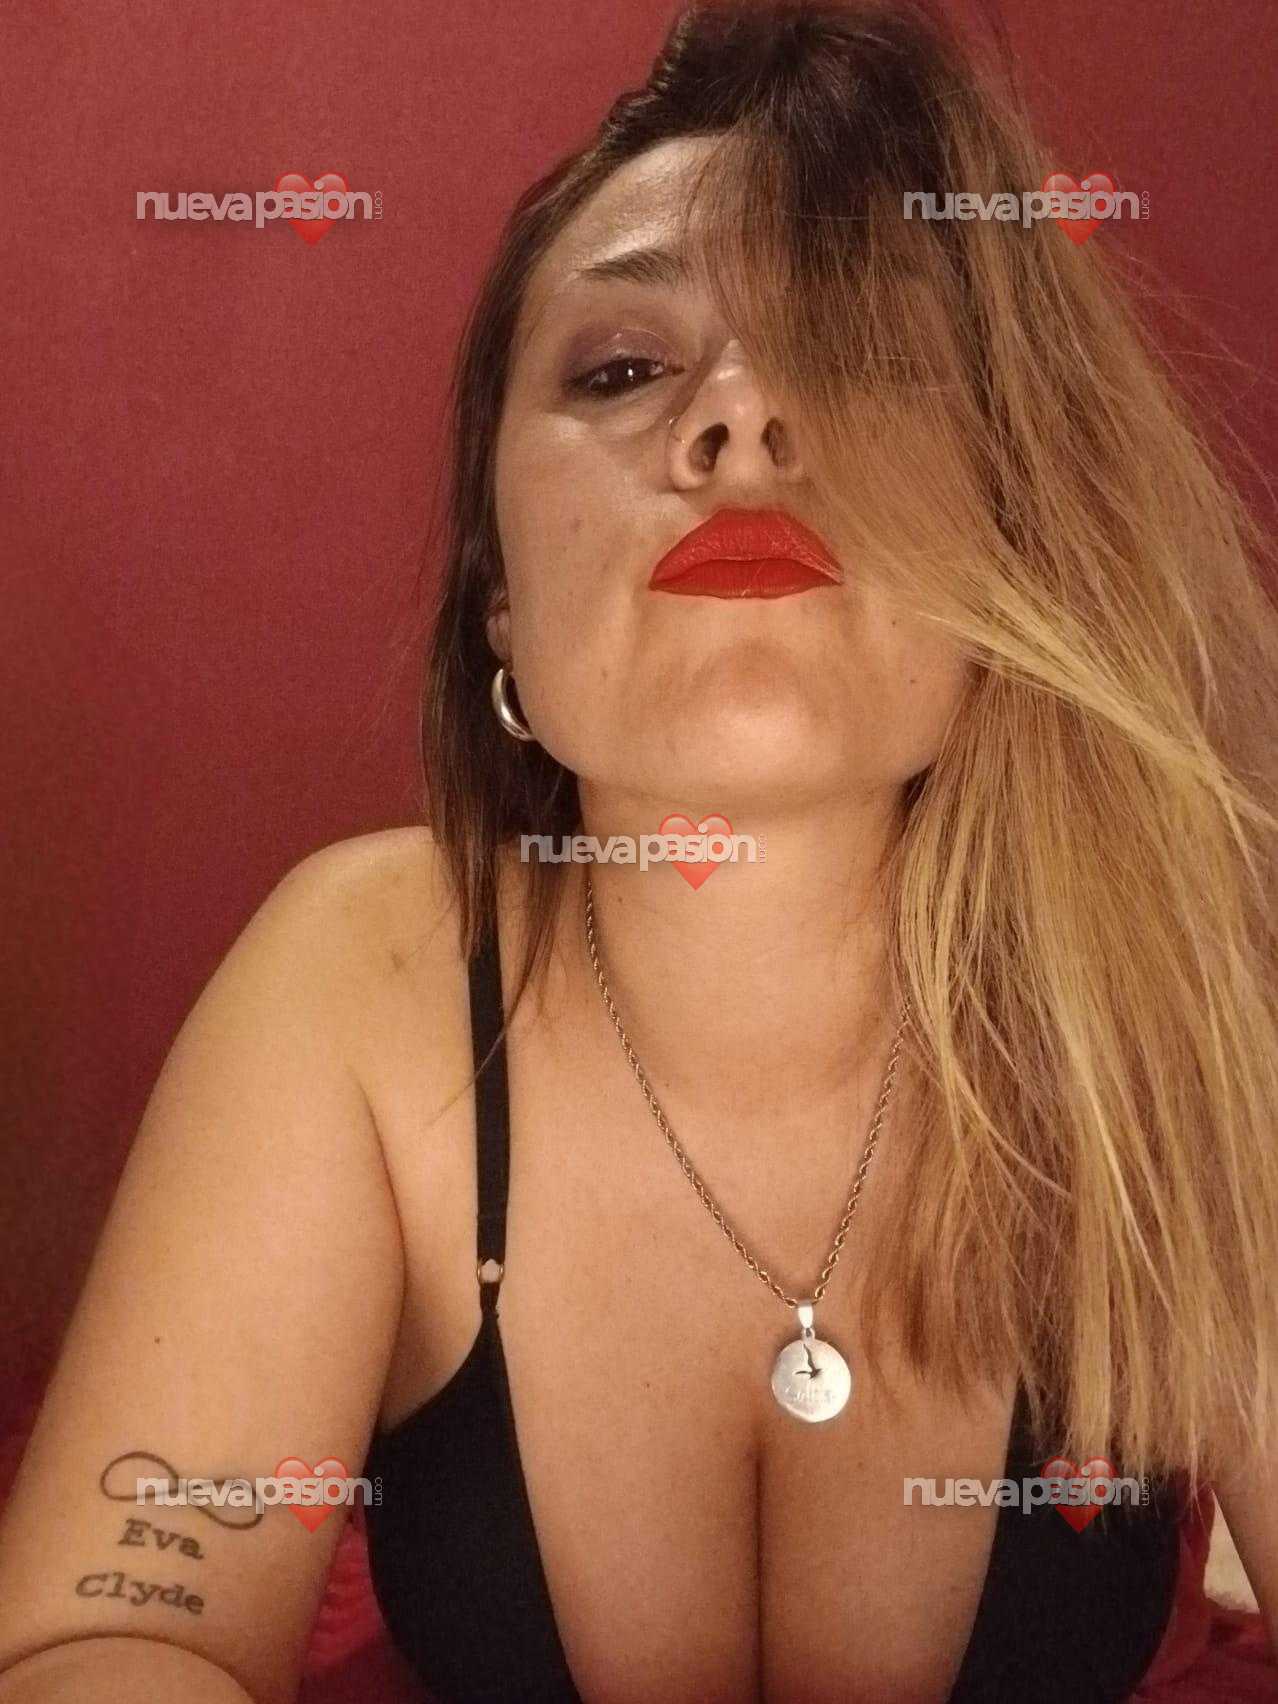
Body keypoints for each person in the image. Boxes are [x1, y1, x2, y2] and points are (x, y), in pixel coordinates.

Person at [1, 1, 1276, 1699]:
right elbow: (114, 1630)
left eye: (859, 360)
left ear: (1013, 544)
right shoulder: (364, 973)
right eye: (621, 369)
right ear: (500, 607)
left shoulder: (1189, 984)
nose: (738, 420)